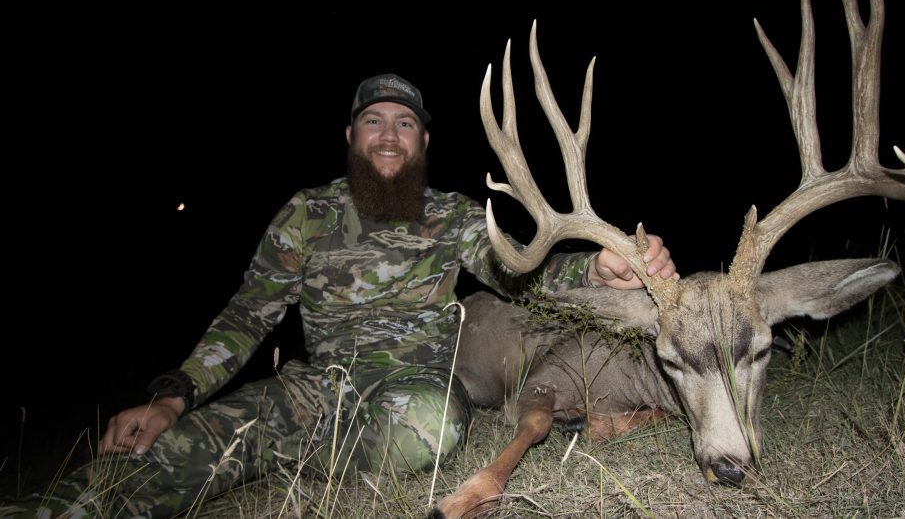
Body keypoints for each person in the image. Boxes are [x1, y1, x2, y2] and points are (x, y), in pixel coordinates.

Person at [6, 73, 677, 518]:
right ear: (351, 137)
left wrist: (595, 270)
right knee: (167, 452)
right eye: (374, 121)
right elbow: (250, 313)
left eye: (405, 124)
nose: (389, 134)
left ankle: (289, 456)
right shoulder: (306, 212)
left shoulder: (455, 216)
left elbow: (520, 273)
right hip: (315, 386)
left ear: (424, 142)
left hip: (413, 388)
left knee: (433, 427)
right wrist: (173, 394)